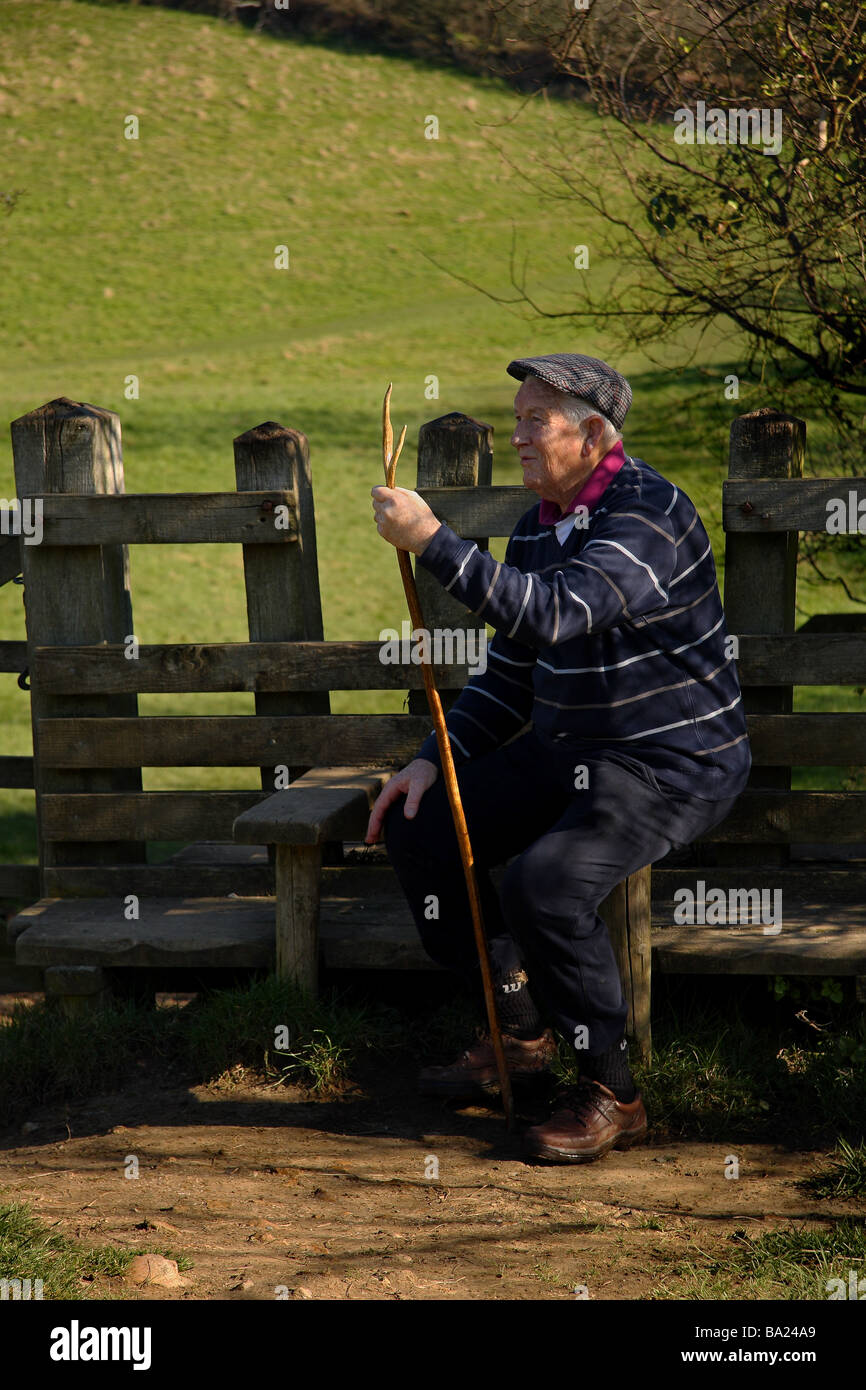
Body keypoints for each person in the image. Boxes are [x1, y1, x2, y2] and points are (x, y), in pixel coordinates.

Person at [367, 352, 751, 1163]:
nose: (517, 438)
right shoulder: (539, 527)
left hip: (669, 763)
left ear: (594, 434)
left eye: (533, 422)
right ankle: (517, 1033)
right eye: (515, 420)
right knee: (419, 822)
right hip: (571, 747)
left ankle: (614, 1090)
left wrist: (433, 540)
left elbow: (553, 616)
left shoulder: (650, 515)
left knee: (544, 882)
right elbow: (510, 675)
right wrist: (435, 758)